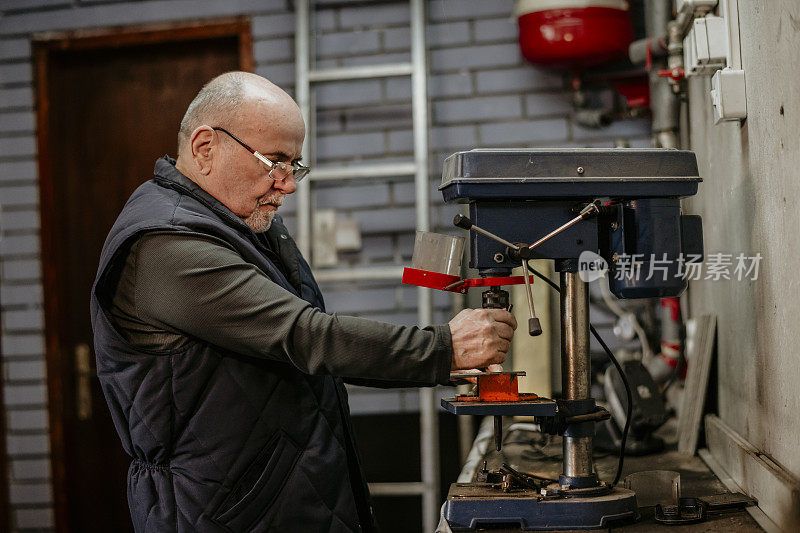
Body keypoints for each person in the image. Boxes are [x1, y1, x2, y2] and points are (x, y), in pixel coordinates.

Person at [90, 71, 516, 532]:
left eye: (294, 165)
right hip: (221, 511)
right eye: (273, 160)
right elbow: (306, 335)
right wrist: (441, 347)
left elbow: (308, 355)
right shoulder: (166, 246)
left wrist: (443, 364)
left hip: (279, 498)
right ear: (204, 147)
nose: (288, 184)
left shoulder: (245, 227)